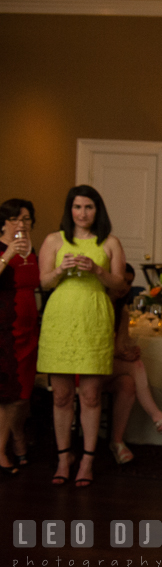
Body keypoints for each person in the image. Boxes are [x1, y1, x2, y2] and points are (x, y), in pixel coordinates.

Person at [38, 185, 127, 487]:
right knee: (62, 395)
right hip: (60, 319)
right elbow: (45, 282)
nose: (83, 213)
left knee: (90, 395)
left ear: (97, 210)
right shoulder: (54, 240)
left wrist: (97, 271)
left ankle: (87, 460)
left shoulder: (110, 242)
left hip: (94, 317)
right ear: (70, 210)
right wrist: (61, 268)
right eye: (77, 207)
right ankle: (65, 457)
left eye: (89, 207)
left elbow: (120, 287)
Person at [103, 263, 162, 464]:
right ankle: (159, 417)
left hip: (107, 366)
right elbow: (99, 347)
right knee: (136, 366)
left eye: (130, 282)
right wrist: (125, 356)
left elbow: (118, 345)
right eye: (123, 280)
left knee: (128, 383)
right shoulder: (100, 303)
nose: (125, 286)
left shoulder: (121, 311)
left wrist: (127, 352)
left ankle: (117, 441)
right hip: (89, 366)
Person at [0, 199, 40, 475]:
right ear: (3, 222)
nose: (22, 224)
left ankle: (16, 439)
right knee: (7, 393)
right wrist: (8, 254)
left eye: (26, 219)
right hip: (4, 328)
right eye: (16, 218)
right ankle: (2, 451)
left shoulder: (34, 250)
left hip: (30, 330)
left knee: (23, 393)